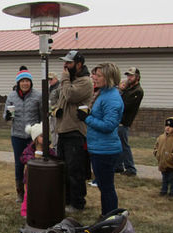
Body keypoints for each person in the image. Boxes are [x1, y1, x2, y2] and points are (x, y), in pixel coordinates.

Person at [80, 62, 123, 218]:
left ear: (109, 77)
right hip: (99, 147)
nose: (94, 77)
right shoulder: (103, 93)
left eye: (98, 75)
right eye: (94, 74)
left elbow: (109, 125)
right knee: (104, 186)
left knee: (107, 187)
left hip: (106, 149)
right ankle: (106, 215)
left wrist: (87, 119)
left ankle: (110, 217)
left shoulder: (112, 98)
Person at [55, 50, 93, 213]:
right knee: (64, 169)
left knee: (74, 170)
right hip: (63, 129)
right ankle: (67, 199)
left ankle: (77, 203)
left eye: (69, 63)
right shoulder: (71, 80)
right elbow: (61, 98)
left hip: (75, 131)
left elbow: (70, 95)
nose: (65, 66)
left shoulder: (85, 82)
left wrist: (63, 79)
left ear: (78, 65)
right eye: (65, 62)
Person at [4, 69, 41, 204]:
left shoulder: (38, 96)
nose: (25, 84)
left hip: (34, 136)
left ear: (31, 82)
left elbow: (42, 116)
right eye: (22, 81)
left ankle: (35, 190)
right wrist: (7, 116)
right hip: (17, 135)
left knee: (34, 164)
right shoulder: (12, 96)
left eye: (27, 81)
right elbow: (5, 116)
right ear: (18, 83)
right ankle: (20, 192)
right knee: (19, 164)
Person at [19, 123, 56, 218]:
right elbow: (23, 157)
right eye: (41, 136)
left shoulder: (49, 149)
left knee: (42, 194)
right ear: (36, 138)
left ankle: (41, 209)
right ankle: (25, 211)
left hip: (44, 177)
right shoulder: (30, 149)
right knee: (29, 195)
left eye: (45, 136)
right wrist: (32, 159)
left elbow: (54, 158)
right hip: (31, 177)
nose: (44, 138)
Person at [115, 67, 144, 177]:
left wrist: (120, 92)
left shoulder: (137, 91)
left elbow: (124, 105)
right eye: (128, 76)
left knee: (124, 145)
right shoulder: (128, 89)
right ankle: (118, 166)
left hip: (124, 121)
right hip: (119, 120)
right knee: (118, 144)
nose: (128, 78)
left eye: (131, 76)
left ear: (137, 77)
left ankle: (130, 168)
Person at [153, 117, 173, 197]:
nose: (168, 128)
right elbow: (156, 146)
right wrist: (156, 153)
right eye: (166, 126)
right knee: (164, 178)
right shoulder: (161, 137)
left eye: (170, 126)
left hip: (172, 163)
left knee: (172, 178)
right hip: (162, 162)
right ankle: (163, 190)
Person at [48, 72, 60, 151]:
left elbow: (61, 100)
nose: (49, 81)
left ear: (56, 79)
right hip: (50, 112)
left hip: (57, 113)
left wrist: (56, 108)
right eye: (48, 79)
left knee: (57, 131)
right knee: (52, 130)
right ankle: (54, 146)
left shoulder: (59, 87)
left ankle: (57, 147)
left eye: (51, 79)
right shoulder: (50, 88)